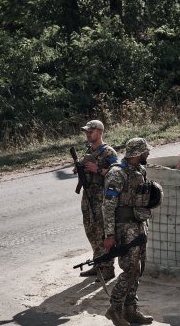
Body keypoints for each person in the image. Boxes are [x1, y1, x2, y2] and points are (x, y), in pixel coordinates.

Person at [102, 138, 157, 326]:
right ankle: (114, 309)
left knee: (138, 268)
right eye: (145, 151)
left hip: (140, 225)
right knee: (129, 269)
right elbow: (108, 207)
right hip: (125, 229)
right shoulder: (117, 174)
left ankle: (130, 309)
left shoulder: (140, 170)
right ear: (136, 154)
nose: (148, 154)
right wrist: (109, 235)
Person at [76, 120, 119, 281]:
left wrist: (98, 170)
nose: (88, 134)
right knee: (91, 232)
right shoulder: (89, 150)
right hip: (88, 197)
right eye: (86, 132)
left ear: (100, 132)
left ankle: (108, 268)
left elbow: (118, 173)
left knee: (103, 233)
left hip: (101, 198)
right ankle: (98, 263)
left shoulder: (108, 152)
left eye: (91, 131)